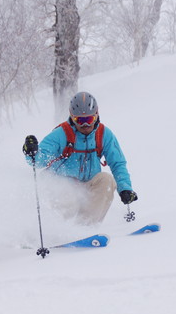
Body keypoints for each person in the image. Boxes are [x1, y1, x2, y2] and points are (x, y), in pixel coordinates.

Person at [22, 91, 138, 225]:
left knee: (107, 181)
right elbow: (38, 161)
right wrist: (31, 152)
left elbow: (118, 163)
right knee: (70, 197)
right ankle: (57, 230)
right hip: (61, 185)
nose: (85, 125)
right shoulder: (61, 134)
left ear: (96, 115)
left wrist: (125, 188)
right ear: (72, 117)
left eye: (89, 120)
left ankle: (85, 228)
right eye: (79, 120)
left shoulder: (103, 134)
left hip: (88, 184)